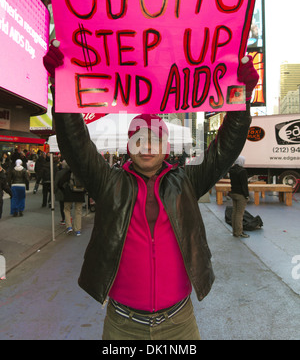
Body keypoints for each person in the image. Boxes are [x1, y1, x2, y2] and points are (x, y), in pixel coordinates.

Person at [43, 42, 258, 340]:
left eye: (155, 140)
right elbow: (76, 145)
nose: (147, 147)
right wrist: (61, 86)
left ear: (166, 147)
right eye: (139, 140)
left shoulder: (187, 181)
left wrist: (242, 98)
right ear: (129, 146)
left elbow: (225, 149)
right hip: (122, 325)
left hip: (179, 324)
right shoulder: (109, 183)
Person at [57, 161, 85, 236]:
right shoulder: (82, 173)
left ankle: (69, 226)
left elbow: (60, 183)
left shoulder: (68, 173)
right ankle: (78, 230)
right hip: (80, 194)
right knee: (78, 211)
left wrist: (64, 190)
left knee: (67, 210)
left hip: (69, 194)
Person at [228, 156, 250, 238]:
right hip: (241, 195)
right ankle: (239, 232)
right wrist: (247, 195)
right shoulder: (242, 171)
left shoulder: (231, 170)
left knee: (234, 213)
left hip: (233, 193)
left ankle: (234, 231)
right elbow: (244, 185)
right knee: (239, 214)